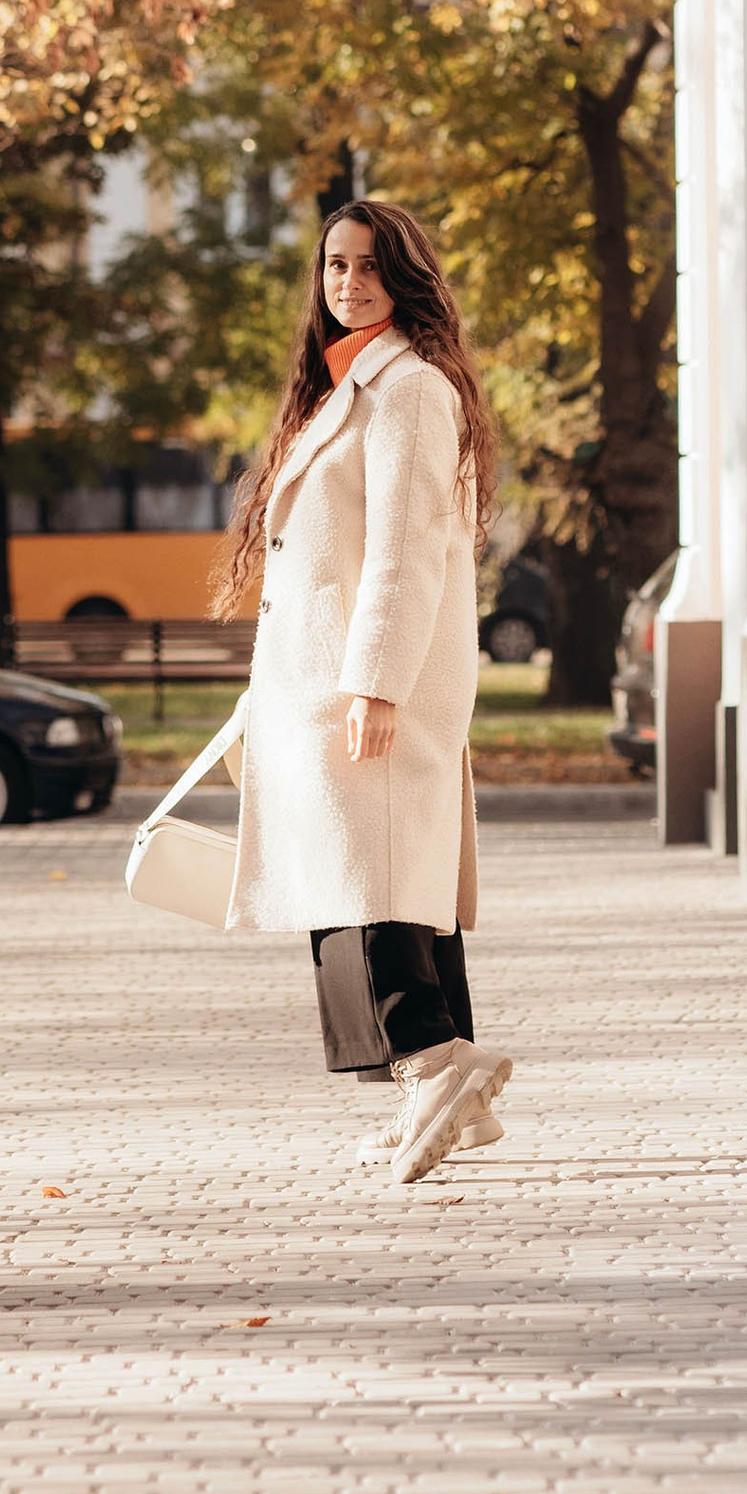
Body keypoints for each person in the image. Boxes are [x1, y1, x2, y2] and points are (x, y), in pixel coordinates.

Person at [217, 198, 510, 1186]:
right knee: (380, 881)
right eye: (335, 265)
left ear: (407, 277)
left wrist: (375, 684)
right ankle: (440, 1093)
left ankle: (434, 1063)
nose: (348, 283)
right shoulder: (348, 386)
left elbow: (406, 551)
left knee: (364, 881)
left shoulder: (411, 389)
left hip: (367, 683)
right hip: (319, 684)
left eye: (370, 267)